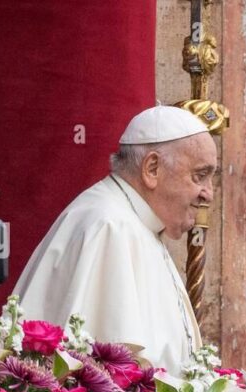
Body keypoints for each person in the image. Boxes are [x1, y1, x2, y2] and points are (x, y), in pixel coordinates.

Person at [13, 106, 218, 376]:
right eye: (199, 176)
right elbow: (101, 380)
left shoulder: (141, 225)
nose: (208, 194)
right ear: (152, 168)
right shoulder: (108, 226)